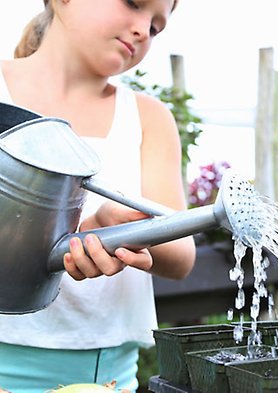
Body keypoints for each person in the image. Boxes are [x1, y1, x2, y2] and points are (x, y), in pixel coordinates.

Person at [0, 0, 196, 391]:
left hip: (100, 373)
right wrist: (78, 232)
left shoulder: (148, 118)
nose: (143, 29)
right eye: (134, 3)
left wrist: (113, 231)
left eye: (156, 28)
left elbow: (181, 256)